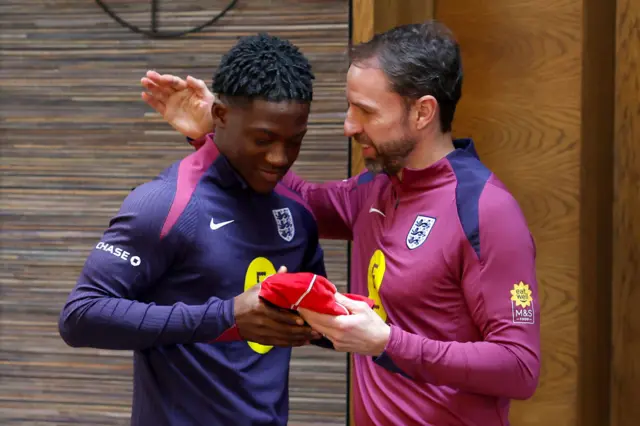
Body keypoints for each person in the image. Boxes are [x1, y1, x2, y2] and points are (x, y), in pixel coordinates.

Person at [140, 21, 541, 426]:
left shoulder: (484, 209)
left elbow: (520, 366)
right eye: (350, 107)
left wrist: (387, 342)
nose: (349, 125)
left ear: (422, 112)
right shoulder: (377, 189)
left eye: (365, 111)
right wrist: (219, 130)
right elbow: (296, 198)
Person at [58, 33, 329, 426]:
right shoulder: (166, 204)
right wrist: (226, 316)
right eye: (263, 139)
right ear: (219, 116)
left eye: (295, 141)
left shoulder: (297, 212)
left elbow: (313, 322)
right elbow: (80, 316)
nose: (279, 158)